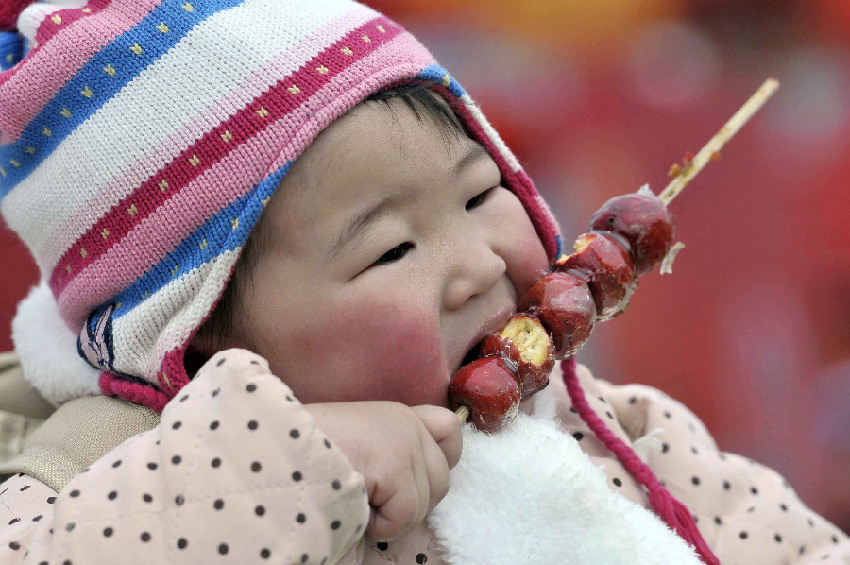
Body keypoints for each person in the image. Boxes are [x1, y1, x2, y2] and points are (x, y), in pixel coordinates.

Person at [0, 0, 847, 563]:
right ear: (198, 330)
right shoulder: (113, 458)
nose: (479, 262)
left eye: (482, 192)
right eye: (392, 251)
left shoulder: (607, 432)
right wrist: (292, 460)